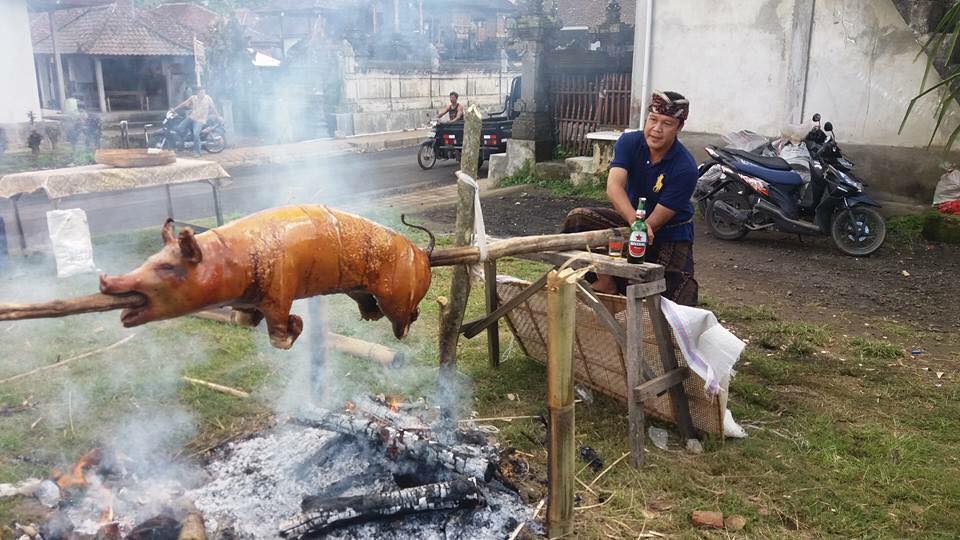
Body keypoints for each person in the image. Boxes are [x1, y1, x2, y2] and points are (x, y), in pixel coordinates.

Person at [561, 90, 699, 306]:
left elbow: (654, 222)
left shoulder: (686, 167)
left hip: (670, 231)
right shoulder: (629, 142)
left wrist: (638, 229)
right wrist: (634, 222)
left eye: (667, 123)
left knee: (678, 298)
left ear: (679, 127)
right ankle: (605, 281)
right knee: (578, 219)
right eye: (653, 120)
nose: (656, 129)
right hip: (632, 219)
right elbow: (614, 186)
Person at [171, 86, 218, 156]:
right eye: (201, 92)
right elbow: (183, 104)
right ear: (197, 93)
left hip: (200, 120)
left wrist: (218, 116)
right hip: (191, 117)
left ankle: (198, 152)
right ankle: (182, 144)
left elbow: (213, 108)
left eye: (204, 92)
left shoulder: (208, 98)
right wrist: (174, 109)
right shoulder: (193, 98)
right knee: (179, 128)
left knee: (196, 134)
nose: (203, 94)